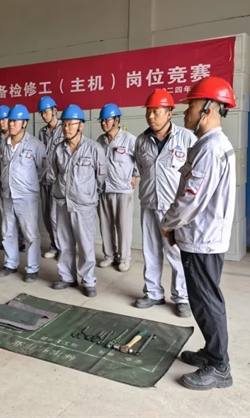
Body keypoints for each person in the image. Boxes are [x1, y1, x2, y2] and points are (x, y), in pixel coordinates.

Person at [160, 77, 237, 390]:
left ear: (207, 109)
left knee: (206, 301)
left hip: (203, 239)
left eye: (190, 105)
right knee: (203, 299)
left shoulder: (211, 149)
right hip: (201, 235)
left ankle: (219, 367)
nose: (185, 111)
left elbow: (190, 199)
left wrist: (168, 223)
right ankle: (212, 352)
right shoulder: (207, 145)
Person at [134, 90, 196, 318]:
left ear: (169, 113)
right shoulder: (141, 140)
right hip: (149, 203)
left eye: (156, 111)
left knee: (177, 252)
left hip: (174, 207)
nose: (151, 116)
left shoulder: (186, 138)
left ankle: (182, 297)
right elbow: (142, 169)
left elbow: (194, 173)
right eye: (148, 111)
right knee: (150, 250)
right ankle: (153, 293)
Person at [50, 105, 107, 297]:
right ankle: (67, 277)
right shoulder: (58, 149)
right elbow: (54, 173)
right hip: (62, 203)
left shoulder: (94, 148)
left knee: (85, 244)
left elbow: (101, 178)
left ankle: (88, 280)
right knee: (64, 243)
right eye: (64, 124)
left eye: (70, 124)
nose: (66, 128)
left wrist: (87, 194)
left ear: (81, 125)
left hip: (84, 205)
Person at [0, 104, 46, 282]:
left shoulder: (35, 145)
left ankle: (32, 268)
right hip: (8, 195)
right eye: (10, 120)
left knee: (30, 234)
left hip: (26, 197)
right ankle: (10, 264)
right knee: (8, 232)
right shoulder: (4, 144)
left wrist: (29, 184)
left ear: (24, 123)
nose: (11, 124)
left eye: (15, 121)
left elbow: (44, 169)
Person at [96, 103, 138, 272]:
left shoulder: (129, 139)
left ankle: (124, 258)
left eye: (107, 120)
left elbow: (139, 160)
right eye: (102, 121)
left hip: (122, 190)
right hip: (104, 189)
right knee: (105, 225)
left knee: (123, 226)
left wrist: (134, 175)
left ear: (116, 120)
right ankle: (109, 256)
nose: (103, 123)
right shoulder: (100, 141)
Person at [0, 105, 25, 253]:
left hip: (18, 182)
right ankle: (9, 241)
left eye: (4, 119)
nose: (1, 123)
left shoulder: (19, 137)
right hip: (3, 181)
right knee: (6, 214)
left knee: (20, 213)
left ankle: (22, 241)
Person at [37, 96, 63, 259]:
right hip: (44, 179)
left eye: (46, 112)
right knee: (47, 216)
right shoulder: (42, 132)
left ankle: (62, 248)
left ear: (55, 110)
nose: (43, 115)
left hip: (58, 181)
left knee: (56, 216)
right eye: (41, 113)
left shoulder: (64, 128)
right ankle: (54, 246)